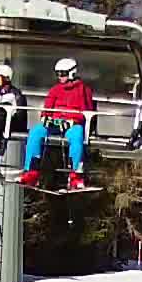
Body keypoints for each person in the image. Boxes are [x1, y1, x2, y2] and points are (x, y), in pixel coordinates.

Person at [21, 56, 96, 188]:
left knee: (77, 135)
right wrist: (45, 118)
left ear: (72, 72)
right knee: (36, 131)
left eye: (63, 74)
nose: (60, 77)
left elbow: (87, 111)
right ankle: (31, 171)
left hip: (72, 124)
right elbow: (47, 108)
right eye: (58, 74)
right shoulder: (55, 89)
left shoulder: (83, 90)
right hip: (55, 123)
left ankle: (75, 174)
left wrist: (73, 121)